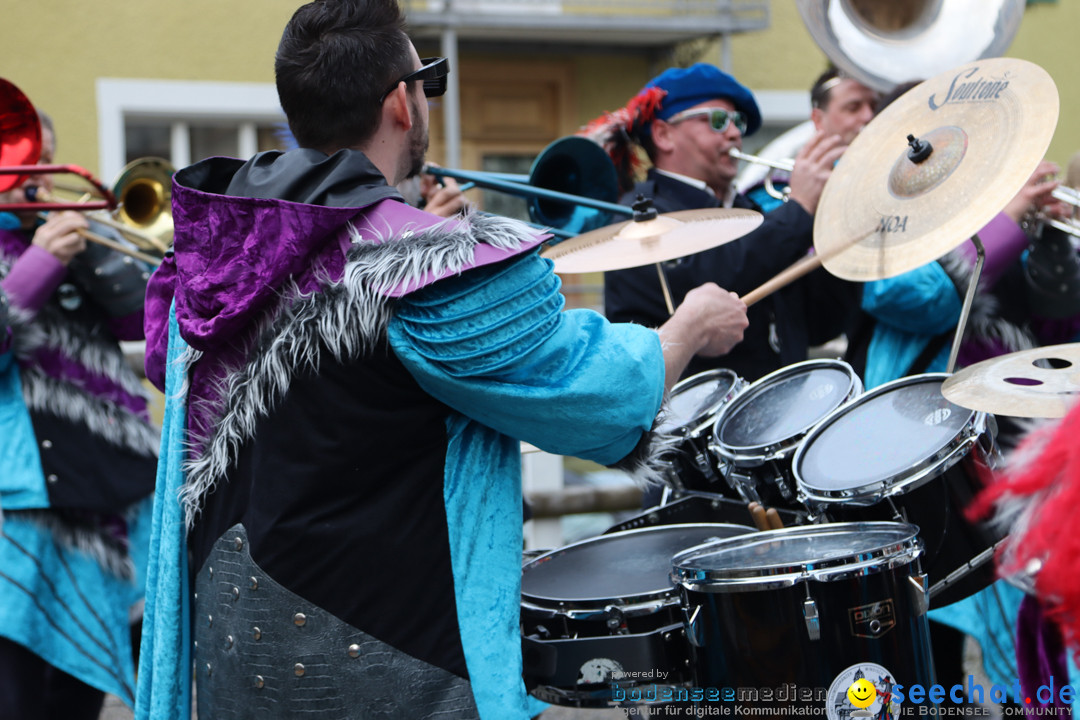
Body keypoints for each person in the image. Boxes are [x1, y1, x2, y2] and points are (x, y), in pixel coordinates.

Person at [133, 2, 749, 719]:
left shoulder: (214, 256)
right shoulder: (428, 266)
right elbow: (594, 392)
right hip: (390, 663)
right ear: (402, 99)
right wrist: (688, 328)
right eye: (428, 80)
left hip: (237, 649)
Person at [0, 110, 157, 718]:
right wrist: (39, 260)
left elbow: (139, 314)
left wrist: (78, 239)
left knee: (77, 694)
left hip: (114, 488)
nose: (24, 178)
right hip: (31, 505)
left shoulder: (66, 236)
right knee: (24, 692)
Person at [598, 63, 857, 385]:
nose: (735, 133)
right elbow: (713, 275)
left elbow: (820, 325)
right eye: (718, 121)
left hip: (779, 413)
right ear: (664, 135)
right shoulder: (640, 214)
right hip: (687, 422)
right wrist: (800, 209)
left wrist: (838, 220)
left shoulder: (746, 209)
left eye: (738, 122)